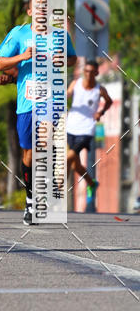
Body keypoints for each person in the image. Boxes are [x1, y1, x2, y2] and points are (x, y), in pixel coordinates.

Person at [0, 0, 76, 224]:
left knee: (45, 140)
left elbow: (72, 59)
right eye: (37, 8)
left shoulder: (59, 35)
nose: (42, 12)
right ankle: (30, 200)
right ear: (29, 12)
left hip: (50, 100)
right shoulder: (19, 34)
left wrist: (62, 59)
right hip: (26, 103)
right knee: (28, 153)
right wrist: (22, 56)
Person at [66, 60, 112, 206]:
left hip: (87, 130)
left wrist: (101, 112)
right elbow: (67, 94)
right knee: (75, 165)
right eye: (86, 71)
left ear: (97, 73)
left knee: (68, 157)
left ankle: (56, 190)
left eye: (92, 72)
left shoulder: (99, 90)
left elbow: (109, 101)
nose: (88, 74)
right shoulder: (76, 83)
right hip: (71, 127)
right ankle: (91, 183)